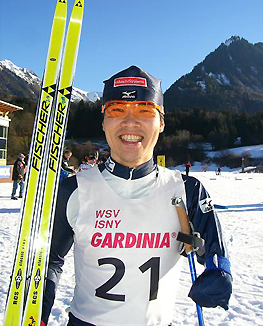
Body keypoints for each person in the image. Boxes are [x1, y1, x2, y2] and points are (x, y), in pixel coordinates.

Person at [41, 66, 232, 326]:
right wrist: (39, 306)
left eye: (145, 111)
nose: (130, 122)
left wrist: (219, 273)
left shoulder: (187, 190)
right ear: (104, 121)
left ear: (161, 122)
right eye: (117, 110)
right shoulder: (74, 190)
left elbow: (214, 251)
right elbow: (50, 260)